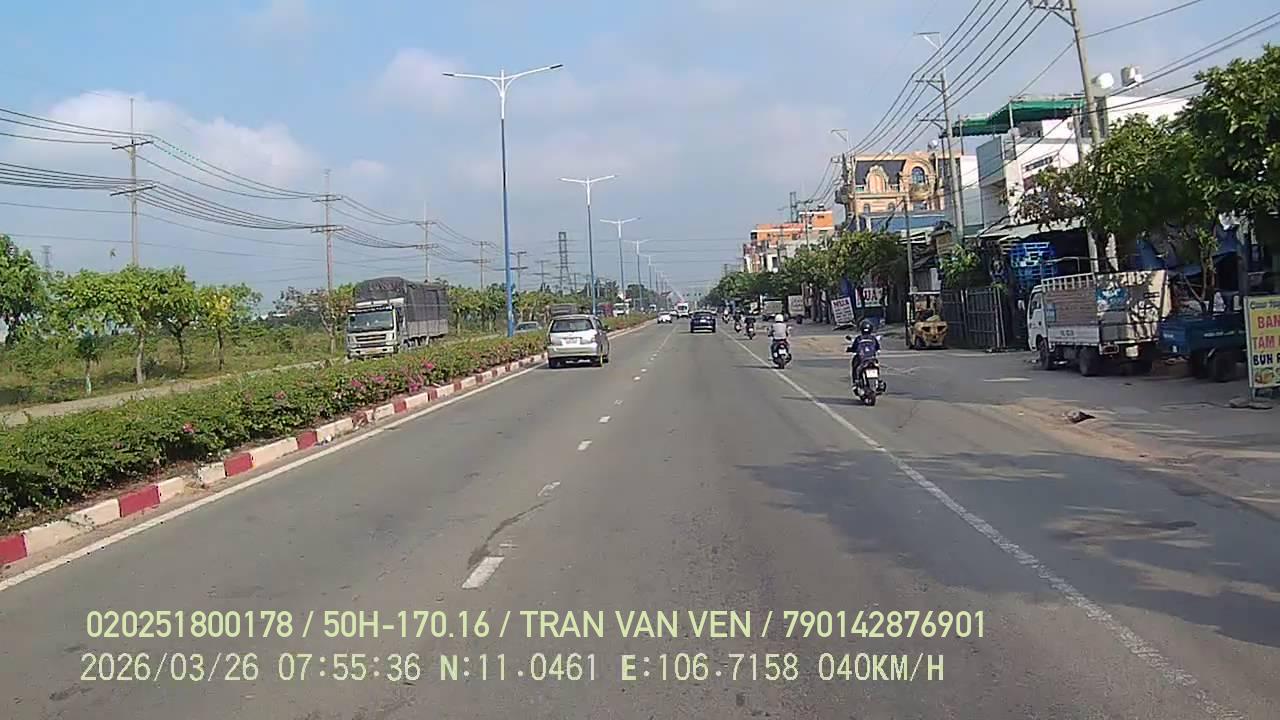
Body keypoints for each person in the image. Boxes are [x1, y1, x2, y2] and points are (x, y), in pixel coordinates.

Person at [849, 319, 881, 387]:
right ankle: (878, 381)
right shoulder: (873, 338)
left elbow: (854, 347)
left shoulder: (859, 338)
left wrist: (850, 349)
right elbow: (878, 348)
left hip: (862, 360)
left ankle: (856, 381)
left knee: (855, 365)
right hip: (872, 359)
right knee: (876, 365)